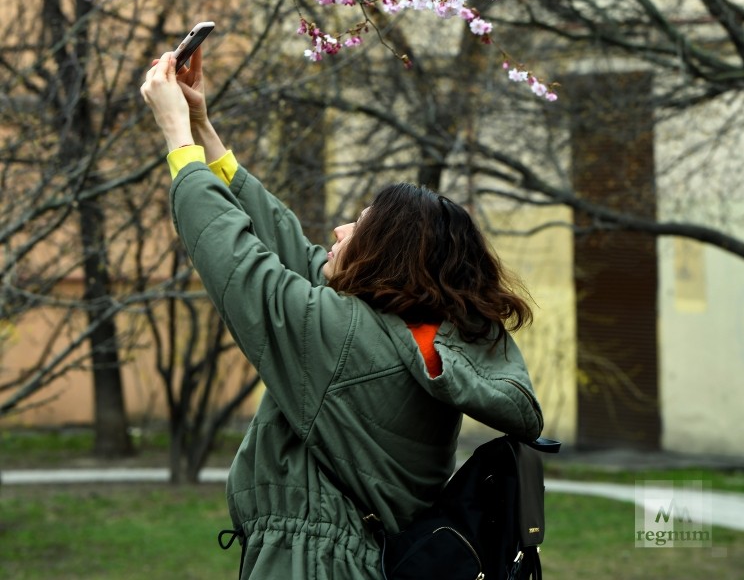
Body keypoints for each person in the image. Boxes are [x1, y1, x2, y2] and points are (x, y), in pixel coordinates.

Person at [141, 47, 543, 580]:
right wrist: (205, 131)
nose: (338, 231)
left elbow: (234, 259)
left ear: (387, 259)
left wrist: (177, 138)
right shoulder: (412, 336)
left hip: (311, 565)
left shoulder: (345, 340)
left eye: (360, 226)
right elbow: (288, 247)